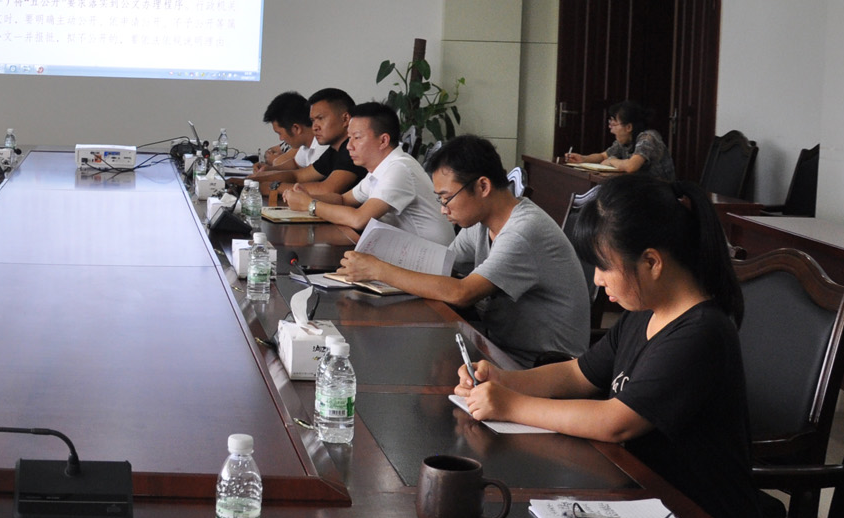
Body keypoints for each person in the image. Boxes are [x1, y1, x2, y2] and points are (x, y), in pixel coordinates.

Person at [453, 173, 759, 518]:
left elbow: (616, 423)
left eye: (605, 265)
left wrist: (510, 405)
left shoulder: (701, 332)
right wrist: (504, 380)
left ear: (652, 262)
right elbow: (576, 373)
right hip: (641, 495)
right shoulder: (645, 311)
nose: (597, 279)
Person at [336, 135, 591, 360]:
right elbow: (441, 266)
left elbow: (462, 292)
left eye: (447, 198)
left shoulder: (523, 231)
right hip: (498, 345)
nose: (443, 209)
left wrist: (379, 270)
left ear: (483, 186)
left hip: (541, 365)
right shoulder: (481, 222)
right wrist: (376, 263)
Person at [281, 101, 451, 242]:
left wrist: (310, 205)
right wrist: (306, 197)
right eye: (349, 138)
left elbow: (359, 219)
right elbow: (343, 200)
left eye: (357, 138)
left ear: (383, 140)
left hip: (428, 261)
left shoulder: (399, 169)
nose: (349, 146)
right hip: (403, 252)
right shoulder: (380, 168)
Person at [563, 99, 677, 179]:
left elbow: (631, 166)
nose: (611, 129)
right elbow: (603, 156)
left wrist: (612, 161)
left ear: (628, 127)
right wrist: (583, 158)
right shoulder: (624, 141)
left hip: (661, 193)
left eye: (613, 124)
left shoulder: (648, 138)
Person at [249, 91, 320, 183]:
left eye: (280, 133)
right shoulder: (305, 145)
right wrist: (268, 169)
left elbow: (299, 177)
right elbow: (295, 164)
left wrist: (262, 179)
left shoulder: (322, 147)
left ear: (296, 128)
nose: (281, 139)